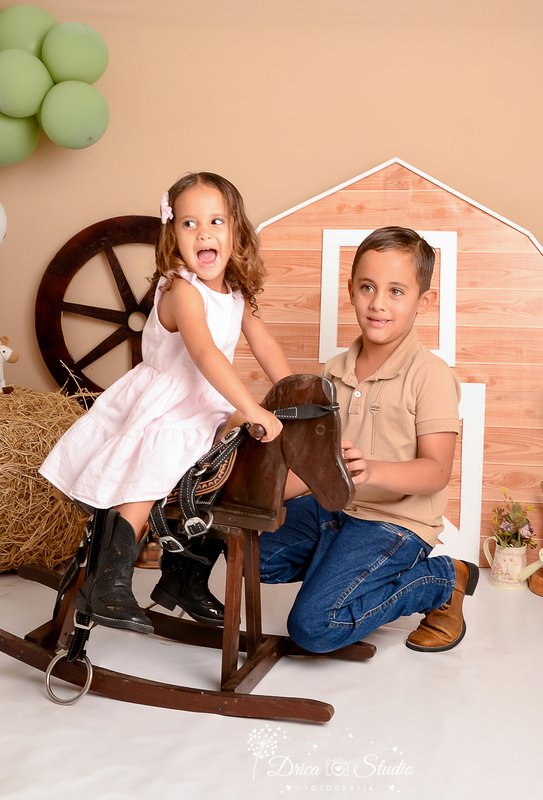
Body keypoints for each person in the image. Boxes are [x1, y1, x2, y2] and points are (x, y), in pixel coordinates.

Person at [39, 172, 289, 634]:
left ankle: (185, 576)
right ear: (172, 234)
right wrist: (252, 407)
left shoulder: (235, 291)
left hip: (208, 402)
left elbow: (265, 344)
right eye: (190, 224)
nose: (205, 233)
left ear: (237, 230)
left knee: (240, 460)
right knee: (152, 467)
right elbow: (204, 353)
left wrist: (295, 391)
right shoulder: (180, 289)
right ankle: (108, 582)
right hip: (169, 401)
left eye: (216, 221)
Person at [258, 226, 479, 654]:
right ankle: (342, 569)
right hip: (335, 507)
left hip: (394, 522)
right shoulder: (332, 371)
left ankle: (442, 579)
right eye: (367, 288)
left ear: (423, 301)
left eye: (396, 291)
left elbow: (435, 471)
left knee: (315, 627)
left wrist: (371, 470)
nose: (378, 303)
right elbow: (311, 464)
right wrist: (264, 496)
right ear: (351, 290)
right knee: (252, 554)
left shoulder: (429, 375)